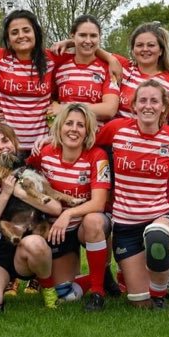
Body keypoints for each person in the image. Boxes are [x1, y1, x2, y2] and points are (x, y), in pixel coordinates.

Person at [95, 79, 169, 309]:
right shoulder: (116, 129)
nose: (148, 106)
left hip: (161, 216)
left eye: (154, 101)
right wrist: (49, 139)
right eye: (142, 100)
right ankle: (148, 287)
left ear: (164, 107)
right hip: (125, 225)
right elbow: (86, 145)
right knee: (140, 303)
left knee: (156, 238)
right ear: (133, 105)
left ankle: (161, 293)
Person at [29, 103, 113, 312]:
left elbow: (99, 203)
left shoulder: (98, 156)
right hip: (58, 232)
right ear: (59, 127)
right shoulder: (45, 152)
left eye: (80, 125)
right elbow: (21, 173)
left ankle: (97, 291)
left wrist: (68, 213)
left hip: (85, 226)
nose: (74, 129)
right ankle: (96, 275)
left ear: (87, 132)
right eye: (69, 123)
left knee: (94, 220)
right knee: (65, 294)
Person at [0, 128, 61, 312]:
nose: (2, 147)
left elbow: (56, 208)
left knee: (35, 243)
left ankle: (48, 289)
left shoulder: (30, 170)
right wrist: (5, 193)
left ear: (15, 143)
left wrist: (22, 194)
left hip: (26, 245)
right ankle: (3, 280)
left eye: (5, 141)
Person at [0, 10, 56, 151]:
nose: (21, 36)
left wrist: (108, 57)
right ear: (8, 39)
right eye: (14, 32)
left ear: (35, 32)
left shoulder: (50, 58)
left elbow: (85, 47)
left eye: (26, 30)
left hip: (41, 146)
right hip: (8, 147)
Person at [116, 23, 169, 129]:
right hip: (117, 141)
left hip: (152, 143)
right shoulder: (123, 67)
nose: (145, 49)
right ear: (133, 50)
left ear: (161, 51)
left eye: (151, 45)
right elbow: (92, 49)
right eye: (139, 45)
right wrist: (109, 59)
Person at [50, 16, 122, 121]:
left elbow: (109, 109)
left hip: (95, 135)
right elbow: (51, 103)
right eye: (82, 35)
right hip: (65, 133)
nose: (88, 41)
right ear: (72, 36)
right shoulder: (60, 66)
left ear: (99, 37)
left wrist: (64, 108)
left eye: (93, 36)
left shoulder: (109, 68)